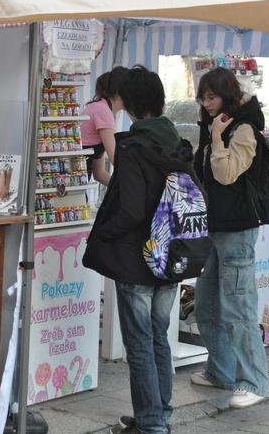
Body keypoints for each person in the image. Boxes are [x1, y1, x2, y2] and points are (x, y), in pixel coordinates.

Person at [83, 65, 196, 434]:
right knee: (158, 337)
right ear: (160, 101)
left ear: (129, 106)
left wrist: (104, 234)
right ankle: (159, 413)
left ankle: (150, 424)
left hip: (137, 260)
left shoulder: (132, 146)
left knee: (140, 344)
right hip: (170, 257)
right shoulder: (176, 143)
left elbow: (130, 209)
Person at [192, 66, 269, 409]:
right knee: (206, 305)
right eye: (203, 97)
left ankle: (253, 381)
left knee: (238, 308)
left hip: (237, 230)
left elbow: (225, 175)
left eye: (212, 97)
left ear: (227, 96)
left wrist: (218, 138)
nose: (206, 103)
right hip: (214, 227)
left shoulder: (243, 130)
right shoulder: (215, 126)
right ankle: (221, 370)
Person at [80, 66, 128, 185]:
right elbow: (115, 159)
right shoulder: (103, 111)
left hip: (77, 181)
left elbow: (99, 174)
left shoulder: (100, 107)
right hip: (72, 182)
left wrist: (119, 189)